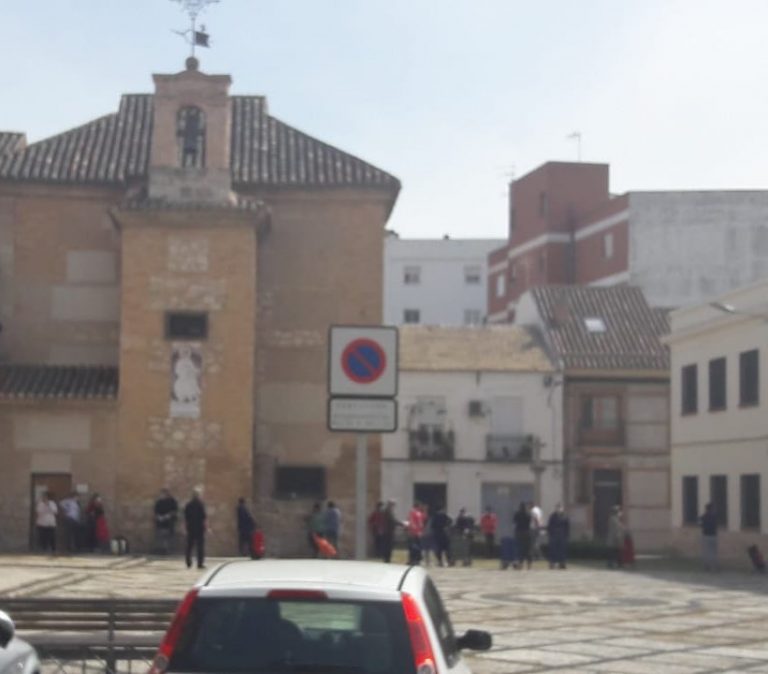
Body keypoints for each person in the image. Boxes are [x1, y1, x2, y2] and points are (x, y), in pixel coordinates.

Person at [184, 488, 207, 569]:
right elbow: (203, 517)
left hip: (190, 527)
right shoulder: (201, 504)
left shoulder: (188, 505)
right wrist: (205, 527)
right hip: (199, 528)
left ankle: (188, 562)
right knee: (200, 546)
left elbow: (186, 517)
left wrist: (186, 527)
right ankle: (200, 563)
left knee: (189, 546)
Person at [154, 488, 179, 555]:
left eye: (163, 494)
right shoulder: (159, 502)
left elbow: (175, 511)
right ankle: (162, 549)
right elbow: (156, 511)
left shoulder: (172, 501)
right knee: (161, 536)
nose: (162, 495)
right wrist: (159, 517)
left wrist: (168, 516)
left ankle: (167, 549)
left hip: (169, 522)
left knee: (168, 536)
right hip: (160, 522)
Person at [547, 503, 569, 569]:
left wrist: (567, 535)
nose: (559, 509)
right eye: (558, 508)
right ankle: (552, 564)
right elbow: (549, 526)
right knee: (553, 550)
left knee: (562, 550)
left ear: (562, 509)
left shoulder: (565, 516)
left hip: (562, 535)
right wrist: (550, 534)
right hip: (554, 535)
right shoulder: (552, 516)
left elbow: (567, 527)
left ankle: (562, 564)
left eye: (560, 508)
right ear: (556, 508)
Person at [513, 501, 532, 569]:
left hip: (519, 532)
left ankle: (520, 564)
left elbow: (514, 522)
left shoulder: (517, 514)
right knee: (527, 549)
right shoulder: (528, 514)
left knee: (520, 549)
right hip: (527, 532)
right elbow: (530, 521)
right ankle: (529, 564)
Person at [700, 502, 719, 572]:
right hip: (713, 536)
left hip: (705, 535)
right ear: (711, 509)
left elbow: (700, 524)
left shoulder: (703, 517)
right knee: (713, 552)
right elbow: (716, 525)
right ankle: (714, 567)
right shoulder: (714, 517)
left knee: (706, 552)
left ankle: (706, 566)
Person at [607, 505, 625, 569]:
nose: (620, 512)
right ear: (616, 512)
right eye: (618, 511)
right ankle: (613, 563)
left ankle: (614, 563)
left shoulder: (615, 519)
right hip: (615, 539)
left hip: (615, 538)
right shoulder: (614, 519)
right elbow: (617, 529)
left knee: (614, 552)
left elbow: (620, 528)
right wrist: (618, 537)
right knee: (614, 552)